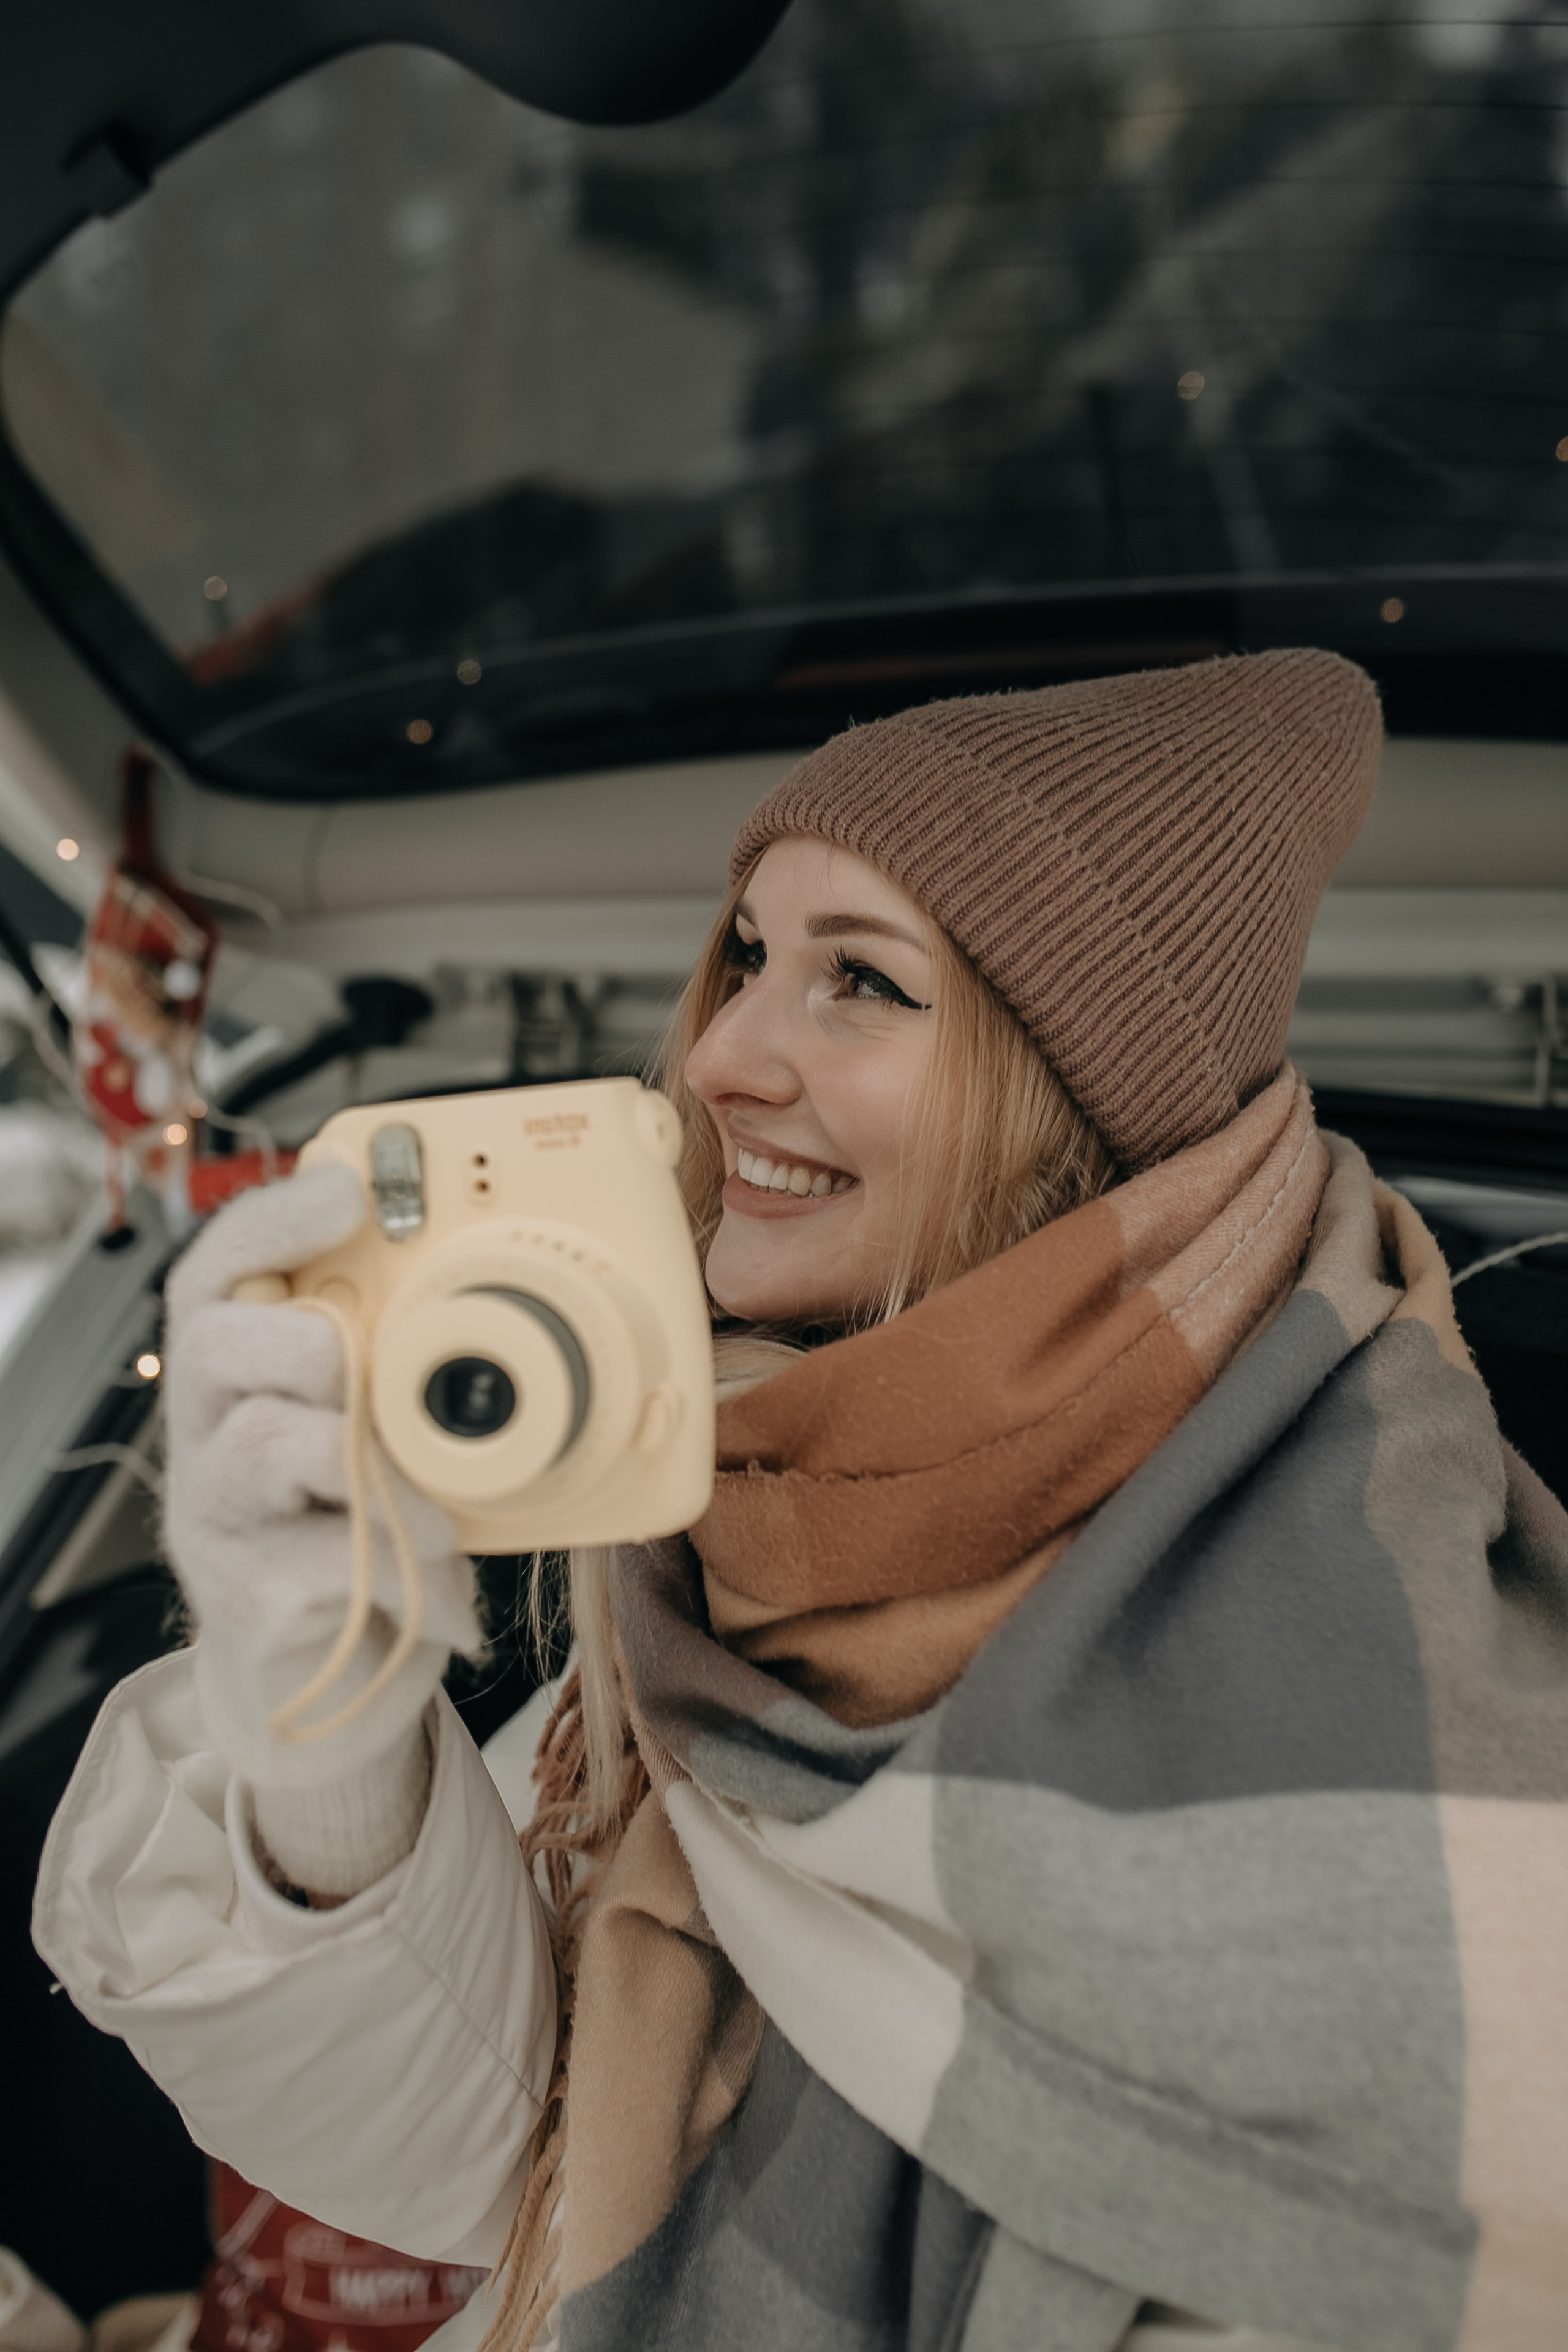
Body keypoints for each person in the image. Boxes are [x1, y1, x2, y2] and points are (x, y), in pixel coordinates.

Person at [33, 651, 1568, 2352]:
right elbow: (484, 2160)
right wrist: (318, 1742)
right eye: (751, 957)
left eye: (865, 986)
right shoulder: (738, 1509)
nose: (722, 1058)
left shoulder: (1361, 1693)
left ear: (1074, 1094)